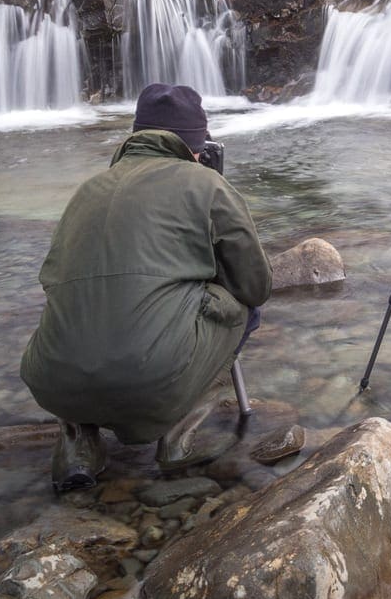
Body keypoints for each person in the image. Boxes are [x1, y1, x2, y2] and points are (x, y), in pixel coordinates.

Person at [20, 82, 271, 490]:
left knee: (81, 307)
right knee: (245, 310)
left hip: (51, 382)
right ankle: (177, 440)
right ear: (197, 145)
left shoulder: (86, 191)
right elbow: (256, 286)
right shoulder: (207, 186)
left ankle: (78, 444)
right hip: (151, 380)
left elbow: (53, 282)